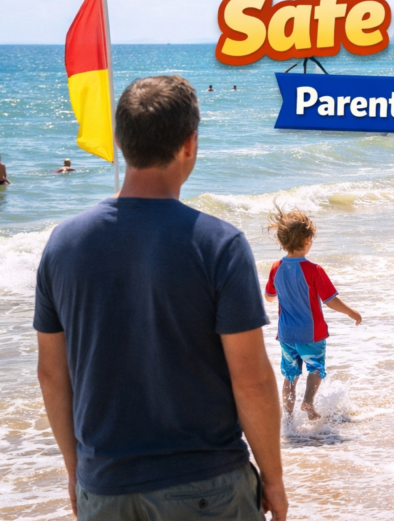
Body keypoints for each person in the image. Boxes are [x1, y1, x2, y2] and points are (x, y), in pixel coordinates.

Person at [34, 75, 288, 521]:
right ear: (189, 143)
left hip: (105, 486)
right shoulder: (219, 244)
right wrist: (273, 478)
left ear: (120, 140)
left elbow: (53, 376)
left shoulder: (63, 244)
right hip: (207, 483)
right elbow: (251, 380)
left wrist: (77, 471)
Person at [264, 208, 361, 421]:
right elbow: (330, 300)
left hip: (286, 334)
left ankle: (288, 419)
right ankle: (308, 400)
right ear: (307, 239)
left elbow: (269, 296)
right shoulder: (314, 270)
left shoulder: (276, 268)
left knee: (290, 376)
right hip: (312, 332)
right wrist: (351, 312)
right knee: (315, 368)